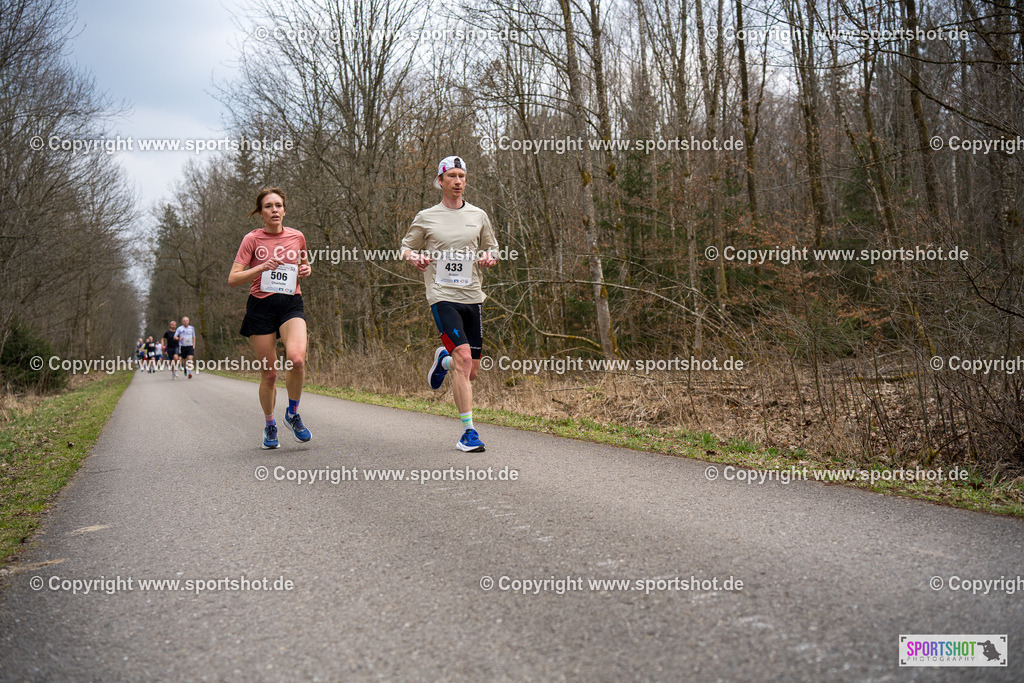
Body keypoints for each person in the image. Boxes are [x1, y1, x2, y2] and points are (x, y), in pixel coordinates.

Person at [401, 155, 498, 452]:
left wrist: (489, 256)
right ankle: (468, 433)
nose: (457, 181)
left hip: (472, 296)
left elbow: (491, 246)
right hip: (442, 296)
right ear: (440, 181)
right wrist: (415, 257)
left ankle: (442, 359)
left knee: (470, 370)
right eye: (451, 176)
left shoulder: (478, 215)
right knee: (465, 359)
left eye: (462, 176)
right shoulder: (427, 216)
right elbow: (406, 247)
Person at [228, 187, 312, 449]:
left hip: (290, 304)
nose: (274, 210)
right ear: (261, 212)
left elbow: (303, 263)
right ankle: (270, 425)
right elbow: (232, 279)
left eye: (278, 205)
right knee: (270, 375)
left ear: (284, 210)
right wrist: (261, 267)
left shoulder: (297, 236)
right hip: (261, 307)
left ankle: (293, 414)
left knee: (297, 359)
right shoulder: (252, 239)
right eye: (268, 206)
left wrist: (306, 269)